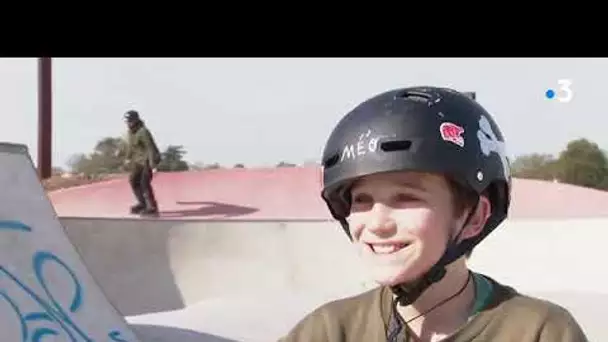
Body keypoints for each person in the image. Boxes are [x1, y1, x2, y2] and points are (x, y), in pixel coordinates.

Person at [279, 87, 588, 341]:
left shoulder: (539, 332)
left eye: (406, 198)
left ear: (475, 216)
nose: (376, 223)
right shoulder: (329, 332)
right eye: (362, 200)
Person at [124, 109, 162, 216]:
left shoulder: (143, 132)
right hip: (138, 160)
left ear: (136, 120)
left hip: (148, 159)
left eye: (130, 120)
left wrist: (153, 166)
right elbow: (131, 146)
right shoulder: (131, 132)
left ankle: (152, 208)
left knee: (144, 183)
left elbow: (150, 148)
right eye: (127, 121)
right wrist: (127, 158)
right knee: (133, 180)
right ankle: (142, 203)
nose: (128, 123)